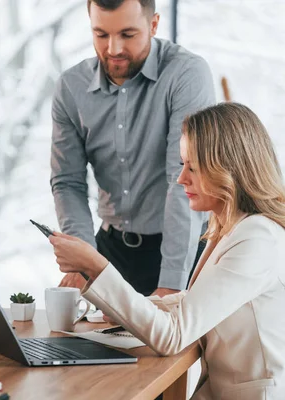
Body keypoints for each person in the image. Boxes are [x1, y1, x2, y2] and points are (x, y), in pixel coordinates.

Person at [50, 102, 285, 399]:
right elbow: (197, 301)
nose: (181, 178)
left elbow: (173, 336)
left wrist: (96, 266)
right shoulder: (231, 227)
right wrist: (125, 310)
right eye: (182, 164)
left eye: (193, 167)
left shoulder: (256, 240)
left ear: (228, 169)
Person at [50, 0, 215, 297]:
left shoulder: (186, 74)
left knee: (178, 344)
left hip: (183, 249)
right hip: (110, 250)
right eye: (101, 35)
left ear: (153, 25)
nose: (113, 49)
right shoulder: (71, 87)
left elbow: (182, 179)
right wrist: (83, 258)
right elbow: (67, 182)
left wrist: (171, 284)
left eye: (127, 34)